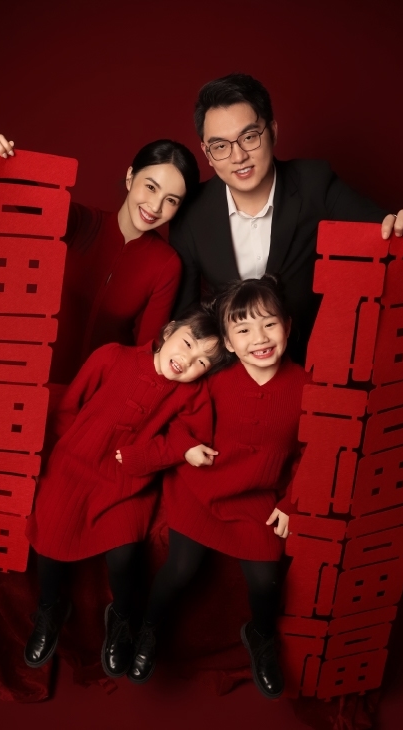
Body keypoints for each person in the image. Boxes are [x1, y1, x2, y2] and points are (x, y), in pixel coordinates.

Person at [120, 276, 307, 698]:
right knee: (180, 569)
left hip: (256, 498)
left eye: (269, 324)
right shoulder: (216, 381)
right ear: (228, 342)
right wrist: (187, 448)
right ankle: (148, 628)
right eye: (243, 330)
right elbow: (180, 422)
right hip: (201, 489)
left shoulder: (306, 386)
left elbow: (314, 452)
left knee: (266, 579)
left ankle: (260, 636)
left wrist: (292, 501)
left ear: (288, 326)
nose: (259, 339)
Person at [169, 73, 403, 362]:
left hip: (312, 365)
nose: (238, 156)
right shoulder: (191, 214)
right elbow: (186, 316)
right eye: (221, 146)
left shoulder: (314, 183)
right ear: (207, 153)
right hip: (232, 371)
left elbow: (384, 231)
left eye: (249, 137)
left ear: (272, 131)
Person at [22, 307, 228, 674]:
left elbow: (190, 441)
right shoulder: (113, 356)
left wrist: (148, 455)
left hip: (129, 480)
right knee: (50, 536)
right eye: (187, 344)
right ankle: (50, 607)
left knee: (123, 556)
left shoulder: (191, 395)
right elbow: (69, 406)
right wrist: (56, 457)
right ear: (169, 331)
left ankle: (121, 617)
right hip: (75, 463)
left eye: (202, 362)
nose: (187, 360)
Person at [0, 134, 200, 383]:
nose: (155, 206)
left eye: (171, 200)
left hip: (102, 388)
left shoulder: (166, 264)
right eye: (151, 187)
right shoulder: (81, 223)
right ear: (130, 177)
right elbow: (28, 200)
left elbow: (149, 352)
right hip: (33, 377)